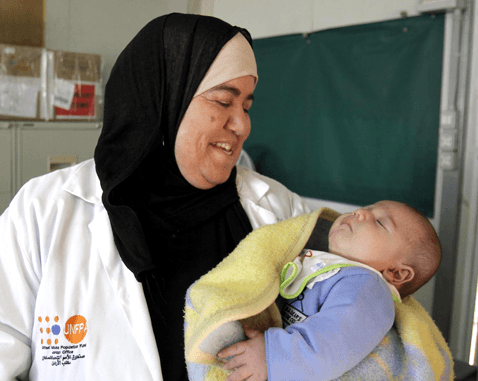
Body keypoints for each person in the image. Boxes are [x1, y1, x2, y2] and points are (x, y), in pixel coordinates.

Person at [0, 13, 310, 381]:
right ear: (163, 99)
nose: (242, 125)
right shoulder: (44, 210)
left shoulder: (280, 209)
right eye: (223, 102)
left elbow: (341, 324)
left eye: (246, 106)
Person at [217, 200, 442, 381]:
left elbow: (331, 343)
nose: (361, 213)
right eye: (365, 208)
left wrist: (271, 355)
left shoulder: (370, 288)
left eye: (380, 223)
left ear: (397, 274)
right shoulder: (331, 269)